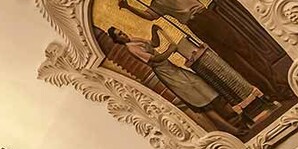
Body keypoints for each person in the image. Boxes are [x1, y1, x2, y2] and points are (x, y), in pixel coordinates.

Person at [110, 0, 293, 102]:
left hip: (207, 17)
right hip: (195, 25)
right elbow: (149, 16)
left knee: (244, 49)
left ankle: (279, 84)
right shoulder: (157, 3)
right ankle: (270, 92)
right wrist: (128, 7)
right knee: (233, 60)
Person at [106, 26, 247, 137]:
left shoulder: (134, 40)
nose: (123, 34)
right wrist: (170, 50)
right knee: (200, 102)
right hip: (168, 74)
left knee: (206, 90)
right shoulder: (131, 48)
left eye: (121, 32)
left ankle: (237, 119)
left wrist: (154, 30)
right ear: (117, 40)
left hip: (174, 69)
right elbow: (155, 59)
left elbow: (154, 43)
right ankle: (232, 130)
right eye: (119, 35)